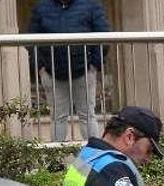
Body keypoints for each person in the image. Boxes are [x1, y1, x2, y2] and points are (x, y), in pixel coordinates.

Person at [28, 0, 111, 142]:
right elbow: (30, 39)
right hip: (52, 72)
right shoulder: (41, 7)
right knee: (58, 117)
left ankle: (93, 158)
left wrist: (94, 65)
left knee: (87, 116)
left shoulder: (91, 5)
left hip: (84, 71)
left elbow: (104, 36)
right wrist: (41, 67)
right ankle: (56, 160)